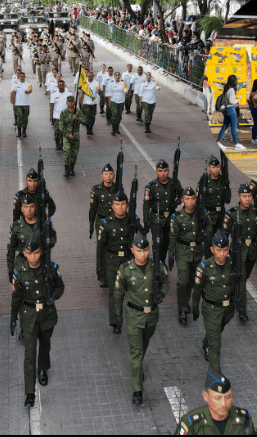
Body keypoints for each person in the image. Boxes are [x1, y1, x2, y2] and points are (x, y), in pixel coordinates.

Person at [112, 231, 169, 405]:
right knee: (136, 352)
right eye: (139, 250)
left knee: (144, 345)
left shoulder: (156, 266)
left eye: (145, 250)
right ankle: (137, 390)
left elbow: (166, 282)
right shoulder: (125, 270)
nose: (143, 254)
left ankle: (137, 369)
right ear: (132, 250)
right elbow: (118, 294)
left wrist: (162, 294)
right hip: (134, 316)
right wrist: (117, 315)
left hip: (151, 315)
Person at [10, 233, 64, 407]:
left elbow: (60, 287)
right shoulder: (19, 273)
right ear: (25, 254)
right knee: (29, 353)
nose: (33, 257)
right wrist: (13, 319)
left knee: (45, 345)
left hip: (47, 314)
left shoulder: (51, 268)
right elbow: (16, 297)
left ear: (41, 252)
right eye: (29, 253)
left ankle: (43, 369)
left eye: (36, 253)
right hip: (28, 316)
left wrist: (53, 296)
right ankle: (29, 393)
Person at [97, 191, 146, 331]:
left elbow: (143, 234)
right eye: (117, 204)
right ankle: (115, 321)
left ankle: (134, 317)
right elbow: (100, 246)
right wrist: (99, 266)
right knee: (114, 292)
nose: (120, 207)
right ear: (112, 206)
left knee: (132, 289)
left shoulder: (132, 219)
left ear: (127, 205)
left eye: (123, 204)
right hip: (111, 262)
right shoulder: (106, 223)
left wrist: (138, 223)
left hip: (128, 260)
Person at [192, 229, 237, 371]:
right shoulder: (204, 267)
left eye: (225, 250)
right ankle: (215, 378)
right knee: (216, 346)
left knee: (218, 330)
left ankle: (206, 342)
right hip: (211, 310)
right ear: (212, 249)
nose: (222, 254)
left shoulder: (233, 264)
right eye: (218, 250)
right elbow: (198, 288)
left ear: (228, 249)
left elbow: (237, 282)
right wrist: (194, 306)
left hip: (228, 309)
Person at [168, 187, 211, 325]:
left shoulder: (201, 213)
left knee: (192, 280)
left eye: (193, 199)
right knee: (182, 282)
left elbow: (209, 226)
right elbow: (173, 237)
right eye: (187, 199)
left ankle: (185, 301)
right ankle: (182, 309)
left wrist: (204, 236)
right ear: (182, 201)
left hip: (197, 251)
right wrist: (170, 255)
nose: (190, 202)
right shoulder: (177, 217)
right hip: (182, 251)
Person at [176, 367, 257, 435]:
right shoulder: (191, 424)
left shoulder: (245, 420)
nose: (223, 403)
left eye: (228, 397)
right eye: (217, 398)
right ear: (206, 396)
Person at [220, 184, 257, 322]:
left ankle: (233, 290)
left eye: (249, 196)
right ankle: (242, 310)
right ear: (238, 197)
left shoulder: (256, 212)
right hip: (239, 250)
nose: (247, 199)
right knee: (241, 280)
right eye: (244, 196)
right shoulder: (231, 214)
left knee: (244, 277)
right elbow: (224, 234)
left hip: (252, 251)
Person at [7, 194, 57, 281]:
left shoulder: (44, 223)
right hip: (22, 262)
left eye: (31, 207)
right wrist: (10, 268)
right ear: (22, 209)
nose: (29, 210)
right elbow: (11, 249)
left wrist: (48, 244)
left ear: (35, 208)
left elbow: (53, 236)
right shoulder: (16, 227)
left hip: (40, 261)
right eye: (26, 207)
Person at [143, 159, 183, 265]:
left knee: (166, 242)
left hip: (169, 218)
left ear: (168, 171)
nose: (162, 173)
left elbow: (182, 194)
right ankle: (157, 264)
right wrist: (146, 221)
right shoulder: (151, 186)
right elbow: (146, 204)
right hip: (156, 218)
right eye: (160, 171)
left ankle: (161, 263)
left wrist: (175, 204)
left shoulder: (174, 183)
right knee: (157, 243)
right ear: (156, 172)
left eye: (165, 170)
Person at [196, 155, 231, 259]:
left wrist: (227, 185)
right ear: (209, 168)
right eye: (213, 167)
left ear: (220, 167)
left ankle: (219, 259)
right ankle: (208, 261)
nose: (216, 169)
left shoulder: (223, 180)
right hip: (209, 215)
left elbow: (227, 199)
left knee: (222, 238)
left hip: (220, 215)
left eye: (217, 167)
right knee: (208, 241)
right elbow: (199, 199)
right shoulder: (204, 181)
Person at [89, 164, 117, 287]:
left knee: (113, 247)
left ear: (114, 175)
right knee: (101, 248)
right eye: (106, 174)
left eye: (110, 174)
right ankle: (102, 275)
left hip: (114, 222)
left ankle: (113, 273)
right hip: (101, 222)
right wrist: (91, 224)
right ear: (101, 176)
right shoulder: (96, 189)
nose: (108, 176)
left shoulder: (118, 188)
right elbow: (93, 209)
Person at [216, 75, 243, 150]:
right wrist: (238, 100)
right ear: (234, 81)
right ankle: (236, 144)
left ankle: (218, 142)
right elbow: (231, 101)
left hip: (226, 110)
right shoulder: (231, 89)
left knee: (224, 126)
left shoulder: (226, 88)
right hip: (231, 109)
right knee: (234, 128)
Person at [60, 96, 81, 178]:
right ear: (66, 103)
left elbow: (85, 121)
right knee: (67, 153)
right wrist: (67, 134)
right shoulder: (63, 113)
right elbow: (61, 126)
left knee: (74, 154)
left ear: (74, 102)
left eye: (72, 101)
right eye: (69, 101)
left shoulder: (78, 112)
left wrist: (78, 118)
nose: (71, 103)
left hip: (76, 137)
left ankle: (72, 169)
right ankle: (67, 171)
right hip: (67, 137)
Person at [49, 80, 71, 151]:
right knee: (57, 131)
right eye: (60, 85)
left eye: (62, 85)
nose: (61, 87)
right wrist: (51, 115)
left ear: (64, 86)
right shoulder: (54, 95)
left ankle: (63, 144)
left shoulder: (69, 94)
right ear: (57, 86)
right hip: (57, 116)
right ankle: (58, 145)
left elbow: (71, 105)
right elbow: (51, 106)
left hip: (66, 116)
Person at [11, 71, 33, 138]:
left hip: (26, 104)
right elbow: (13, 94)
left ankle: (24, 131)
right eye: (21, 76)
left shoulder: (28, 84)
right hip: (18, 104)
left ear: (25, 77)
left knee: (25, 118)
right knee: (19, 118)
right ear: (19, 77)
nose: (22, 77)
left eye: (23, 76)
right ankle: (19, 132)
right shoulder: (16, 84)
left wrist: (29, 92)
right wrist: (13, 104)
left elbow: (30, 90)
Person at [78, 69, 100, 136]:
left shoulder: (96, 83)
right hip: (86, 103)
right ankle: (88, 129)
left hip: (93, 103)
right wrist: (81, 103)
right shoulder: (84, 83)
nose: (90, 77)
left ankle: (91, 128)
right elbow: (82, 94)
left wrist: (98, 89)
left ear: (93, 76)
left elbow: (98, 88)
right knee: (87, 117)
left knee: (92, 117)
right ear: (87, 76)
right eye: (89, 76)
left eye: (92, 76)